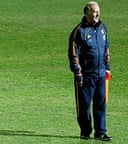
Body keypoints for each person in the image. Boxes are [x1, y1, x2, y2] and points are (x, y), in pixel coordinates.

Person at [68, 1, 112, 141]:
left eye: (98, 11)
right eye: (94, 11)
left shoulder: (102, 28)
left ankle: (101, 132)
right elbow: (73, 54)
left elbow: (106, 49)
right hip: (85, 76)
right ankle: (85, 132)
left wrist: (107, 68)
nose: (97, 14)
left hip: (100, 74)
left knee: (101, 104)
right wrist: (78, 73)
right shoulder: (79, 31)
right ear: (86, 13)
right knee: (84, 106)